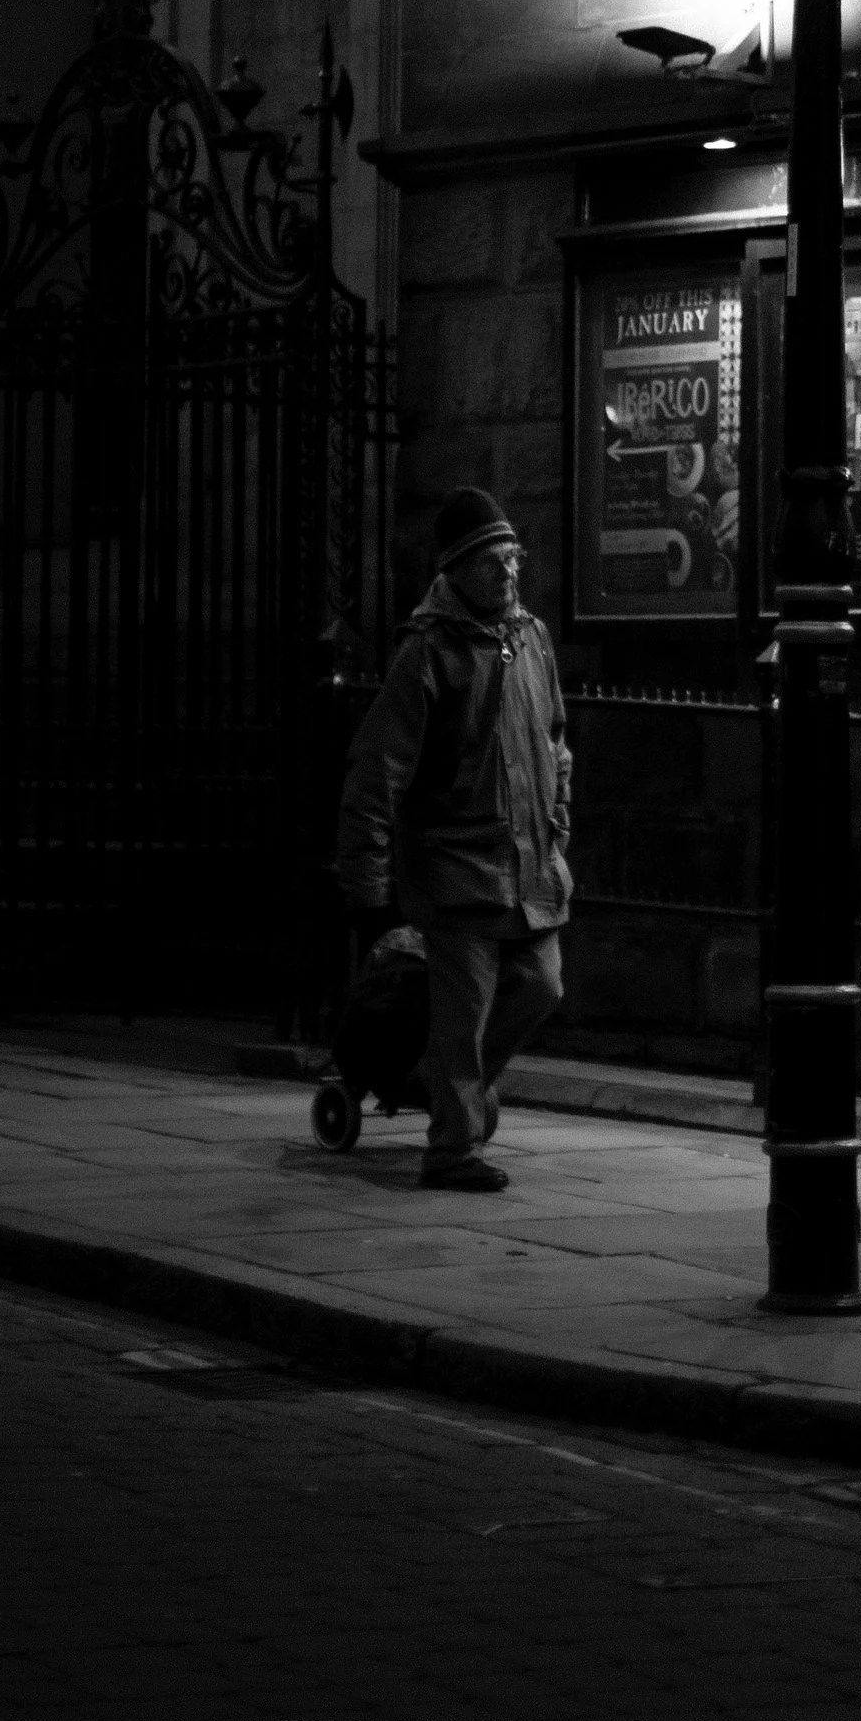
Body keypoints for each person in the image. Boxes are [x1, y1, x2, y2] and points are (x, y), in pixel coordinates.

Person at [335, 487, 572, 1194]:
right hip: (456, 868)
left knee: (539, 985)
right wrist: (368, 887)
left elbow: (555, 743)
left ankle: (439, 1088)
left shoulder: (530, 636)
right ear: (458, 570)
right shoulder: (428, 653)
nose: (509, 572)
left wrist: (557, 827)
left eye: (514, 557)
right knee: (463, 1012)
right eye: (494, 561)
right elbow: (376, 772)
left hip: (528, 867)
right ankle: (451, 1149)